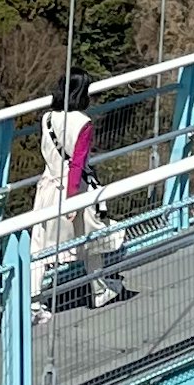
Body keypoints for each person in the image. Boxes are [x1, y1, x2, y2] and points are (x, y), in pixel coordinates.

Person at [37, 71, 125, 311]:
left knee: (40, 242)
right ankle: (99, 290)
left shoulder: (47, 118)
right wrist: (72, 198)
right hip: (74, 188)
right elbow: (77, 162)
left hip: (48, 184)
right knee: (91, 239)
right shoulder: (83, 123)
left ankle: (33, 298)